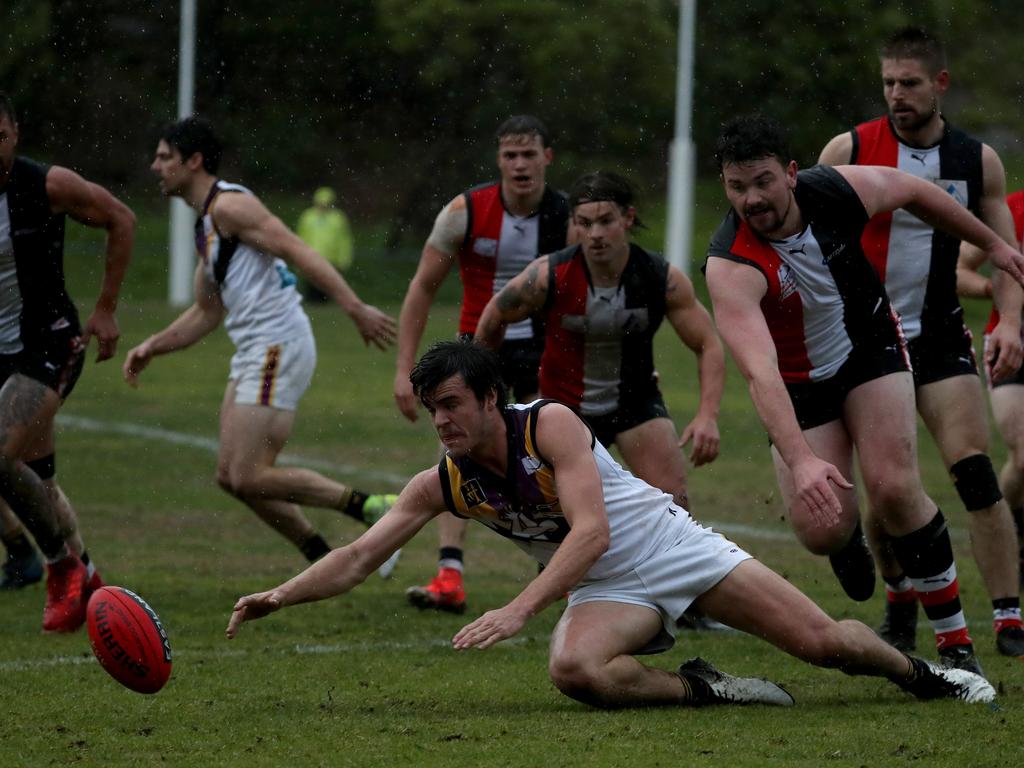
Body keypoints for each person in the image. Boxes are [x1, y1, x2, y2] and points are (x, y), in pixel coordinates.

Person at [226, 339, 996, 708]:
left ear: (492, 398)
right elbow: (360, 555)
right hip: (602, 587)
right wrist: (279, 595)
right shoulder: (444, 482)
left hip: (671, 549)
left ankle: (921, 674)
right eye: (433, 411)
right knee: (577, 673)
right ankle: (703, 689)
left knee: (825, 646)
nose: (442, 422)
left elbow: (591, 531)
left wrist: (520, 607)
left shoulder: (549, 425)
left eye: (453, 405)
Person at [704, 114, 1024, 675]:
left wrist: (992, 244)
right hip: (800, 383)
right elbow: (761, 374)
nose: (750, 199)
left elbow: (917, 192)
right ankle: (846, 540)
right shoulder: (731, 263)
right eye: (737, 187)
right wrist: (802, 463)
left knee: (896, 487)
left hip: (869, 347)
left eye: (762, 181)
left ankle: (956, 647)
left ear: (792, 175)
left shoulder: (835, 190)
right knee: (822, 529)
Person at [818, 26, 1024, 660]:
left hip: (937, 334)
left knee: (974, 470)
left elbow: (1004, 253)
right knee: (888, 483)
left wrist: (1011, 322)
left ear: (940, 84)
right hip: (864, 339)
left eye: (909, 83)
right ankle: (901, 597)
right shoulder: (849, 148)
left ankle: (1010, 618)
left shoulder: (976, 161)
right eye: (888, 83)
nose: (896, 95)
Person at [125, 116, 400, 575]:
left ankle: (375, 509)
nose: (155, 166)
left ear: (193, 161)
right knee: (232, 478)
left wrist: (353, 306)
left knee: (249, 473)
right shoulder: (205, 228)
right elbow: (207, 312)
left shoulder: (231, 206)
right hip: (255, 349)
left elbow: (298, 250)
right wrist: (153, 345)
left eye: (164, 157)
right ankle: (320, 555)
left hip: (278, 343)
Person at [393, 115, 570, 613]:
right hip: (478, 349)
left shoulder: (568, 214)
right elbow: (422, 287)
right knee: (460, 452)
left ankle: (562, 565)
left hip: (545, 350)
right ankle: (450, 575)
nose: (520, 164)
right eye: (510, 155)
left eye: (529, 154)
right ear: (498, 160)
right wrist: (404, 368)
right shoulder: (464, 211)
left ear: (546, 158)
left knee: (556, 451)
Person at [475, 171, 724, 510]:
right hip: (564, 409)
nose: (594, 234)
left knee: (673, 506)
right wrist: (481, 389)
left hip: (635, 404)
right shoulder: (548, 276)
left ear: (628, 218)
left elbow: (707, 343)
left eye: (606, 221)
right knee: (565, 516)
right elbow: (493, 317)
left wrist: (707, 415)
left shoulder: (659, 277)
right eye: (584, 223)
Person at [0, 92, 134, 631]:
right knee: (37, 479)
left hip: (47, 344)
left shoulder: (45, 185)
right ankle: (91, 581)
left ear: (15, 134)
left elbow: (121, 219)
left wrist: (105, 309)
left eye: (0, 136)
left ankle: (57, 566)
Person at [958, 189, 1024, 592]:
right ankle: (1013, 530)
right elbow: (959, 268)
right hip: (1012, 343)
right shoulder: (1011, 209)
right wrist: (994, 291)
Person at [295, 186, 354, 303]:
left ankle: (324, 304)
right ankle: (313, 304)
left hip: (331, 259)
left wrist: (343, 259)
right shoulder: (308, 216)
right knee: (312, 284)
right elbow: (300, 237)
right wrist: (299, 257)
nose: (323, 206)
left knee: (328, 286)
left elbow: (344, 241)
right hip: (310, 257)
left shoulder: (338, 218)